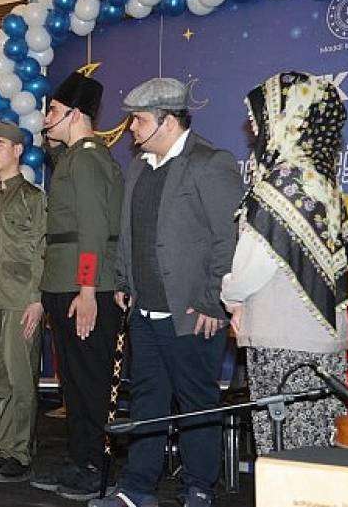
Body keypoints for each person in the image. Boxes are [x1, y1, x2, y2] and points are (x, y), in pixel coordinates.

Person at [90, 78, 241, 507]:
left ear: (168, 121)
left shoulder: (210, 163)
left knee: (197, 404)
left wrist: (213, 300)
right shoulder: (140, 166)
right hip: (145, 311)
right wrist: (124, 280)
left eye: (138, 120)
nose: (131, 129)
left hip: (193, 311)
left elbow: (228, 238)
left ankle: (198, 488)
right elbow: (129, 232)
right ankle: (137, 488)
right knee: (147, 401)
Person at [221, 72, 348, 455]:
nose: (254, 127)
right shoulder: (323, 183)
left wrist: (230, 295)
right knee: (318, 453)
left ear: (286, 119)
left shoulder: (281, 183)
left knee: (284, 456)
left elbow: (253, 266)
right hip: (322, 342)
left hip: (283, 341)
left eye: (259, 117)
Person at [31, 72, 124, 500]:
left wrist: (87, 291)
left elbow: (92, 228)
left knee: (90, 381)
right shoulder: (72, 157)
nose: (46, 118)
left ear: (75, 114)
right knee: (73, 381)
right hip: (63, 284)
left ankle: (95, 467)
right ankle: (79, 457)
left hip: (82, 288)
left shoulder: (87, 159)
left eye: (52, 110)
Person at [0, 121, 47, 483]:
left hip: (19, 300)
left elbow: (41, 250)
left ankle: (19, 453)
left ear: (18, 150)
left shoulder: (33, 198)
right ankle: (3, 448)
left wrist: (36, 299)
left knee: (20, 380)